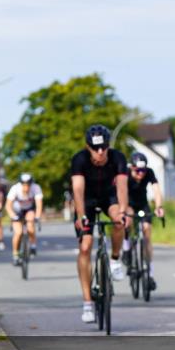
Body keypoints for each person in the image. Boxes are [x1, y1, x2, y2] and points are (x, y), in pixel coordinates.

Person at [71, 124, 130, 324]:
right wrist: (81, 215)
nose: (100, 152)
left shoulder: (117, 157)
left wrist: (122, 211)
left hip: (108, 198)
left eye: (103, 147)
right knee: (85, 246)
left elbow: (122, 186)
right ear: (88, 147)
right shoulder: (79, 160)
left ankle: (114, 259)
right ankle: (87, 303)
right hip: (85, 201)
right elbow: (77, 190)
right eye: (95, 148)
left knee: (119, 220)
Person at [124, 151, 165, 292]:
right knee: (128, 220)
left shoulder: (149, 172)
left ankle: (150, 274)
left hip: (142, 205)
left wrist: (159, 207)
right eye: (138, 170)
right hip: (128, 204)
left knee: (147, 232)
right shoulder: (126, 174)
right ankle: (126, 247)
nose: (141, 173)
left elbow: (156, 190)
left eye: (143, 170)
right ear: (131, 168)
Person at [5, 173, 43, 265]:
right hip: (17, 210)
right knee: (18, 232)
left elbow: (39, 204)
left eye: (28, 185)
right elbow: (8, 205)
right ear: (20, 184)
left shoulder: (36, 188)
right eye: (24, 185)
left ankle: (33, 246)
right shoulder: (15, 189)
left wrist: (37, 216)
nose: (26, 187)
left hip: (29, 209)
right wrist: (12, 216)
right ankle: (15, 254)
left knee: (30, 224)